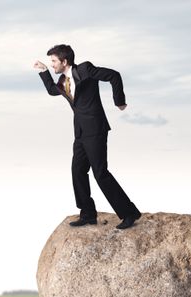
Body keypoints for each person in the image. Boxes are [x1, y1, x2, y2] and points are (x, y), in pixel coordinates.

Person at [33, 44, 141, 230]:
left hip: (96, 129)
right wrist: (43, 71)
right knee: (77, 171)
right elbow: (52, 90)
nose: (52, 64)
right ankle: (88, 214)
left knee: (101, 173)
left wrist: (119, 101)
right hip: (81, 132)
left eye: (53, 61)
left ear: (64, 61)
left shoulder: (85, 69)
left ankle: (129, 213)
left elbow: (113, 75)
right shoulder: (62, 81)